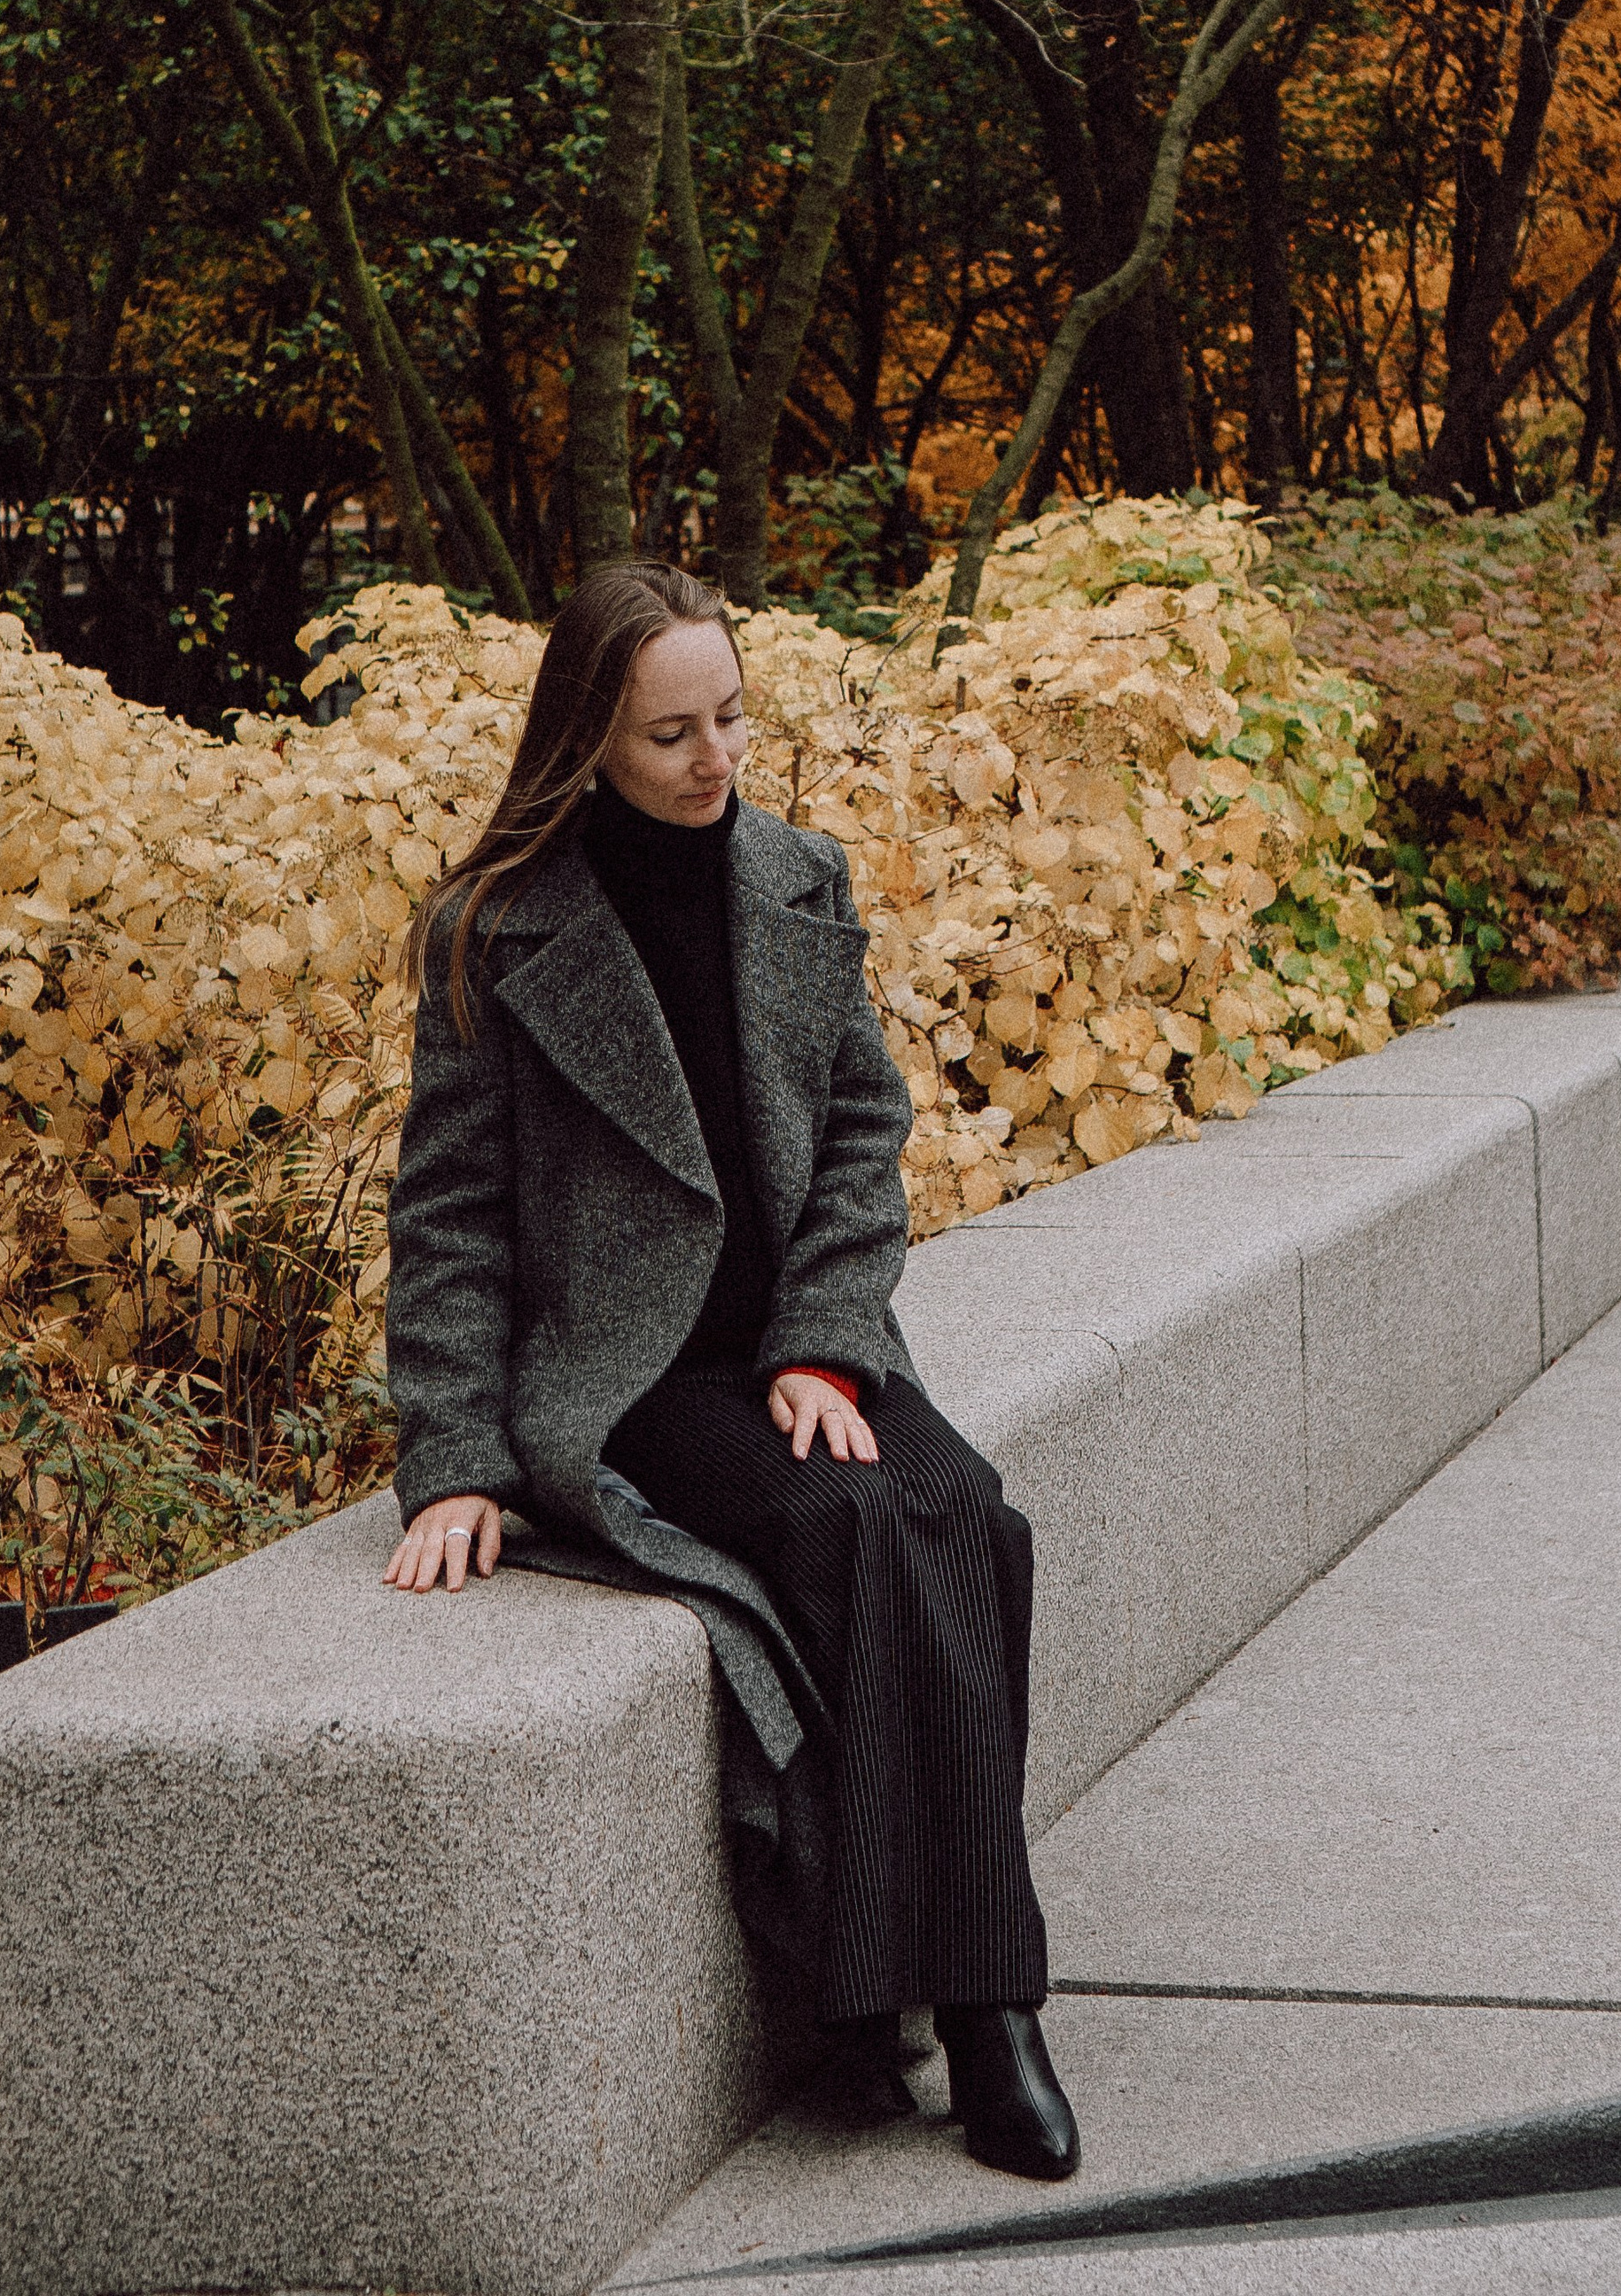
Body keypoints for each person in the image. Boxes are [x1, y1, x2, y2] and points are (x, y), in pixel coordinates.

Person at [382, 559, 1079, 2182]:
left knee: (969, 1514)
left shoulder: (798, 880)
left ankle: (932, 1990)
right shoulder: (494, 930)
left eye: (733, 720)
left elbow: (863, 1131)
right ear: (588, 740)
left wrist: (824, 1340)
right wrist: (455, 1460)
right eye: (670, 735)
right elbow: (451, 1217)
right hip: (630, 1375)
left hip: (793, 1349)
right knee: (853, 1527)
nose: (716, 760)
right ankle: (987, 2022)